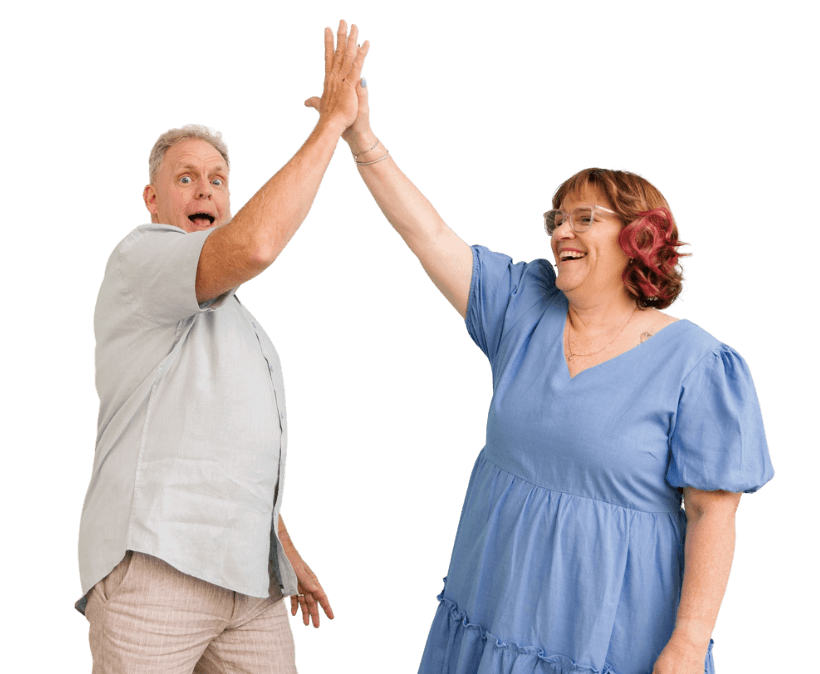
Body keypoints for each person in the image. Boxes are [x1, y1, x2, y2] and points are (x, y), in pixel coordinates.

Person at [304, 82, 775, 673]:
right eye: (557, 218)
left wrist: (687, 642)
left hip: (611, 635)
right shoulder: (522, 305)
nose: (561, 232)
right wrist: (361, 138)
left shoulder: (700, 364)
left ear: (640, 238)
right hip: (493, 608)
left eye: (585, 218)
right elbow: (425, 234)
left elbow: (713, 515)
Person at [77, 20, 369, 674]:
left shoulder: (246, 328)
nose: (206, 188)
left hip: (250, 583)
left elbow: (234, 450)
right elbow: (258, 245)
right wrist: (331, 128)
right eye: (185, 178)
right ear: (152, 198)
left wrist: (283, 551)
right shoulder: (140, 257)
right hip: (157, 570)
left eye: (217, 177)